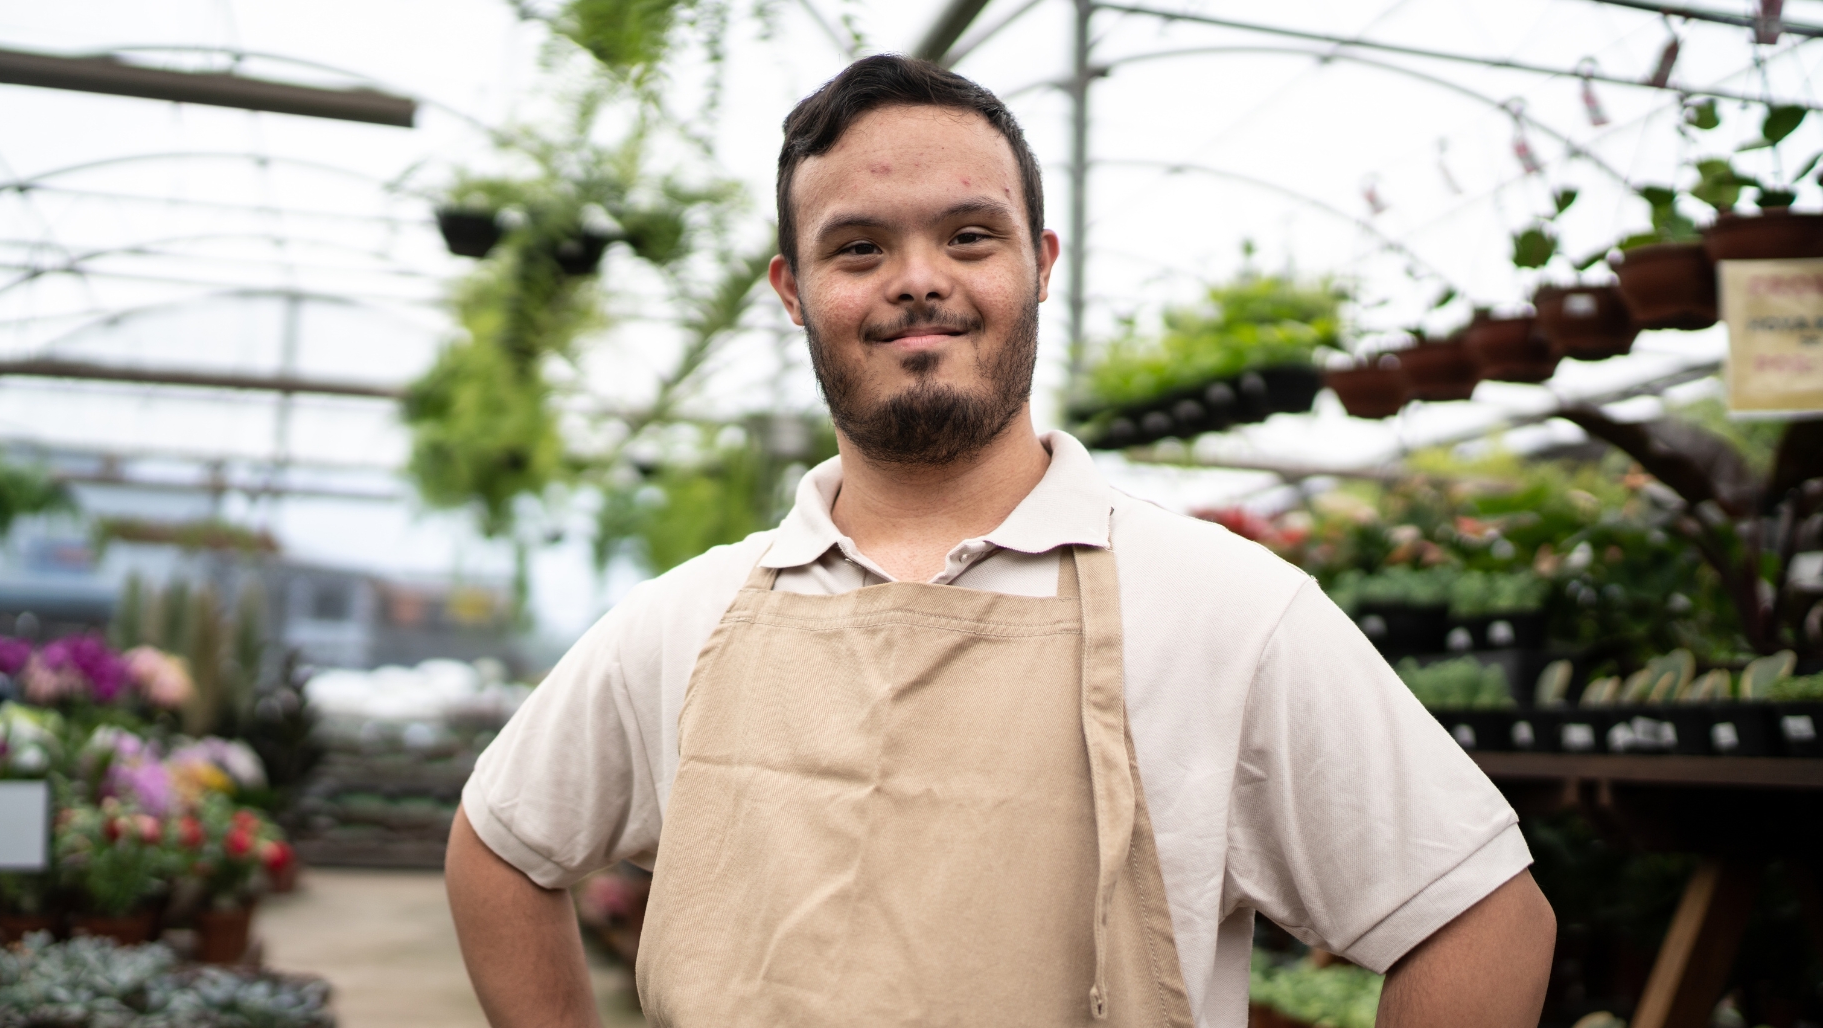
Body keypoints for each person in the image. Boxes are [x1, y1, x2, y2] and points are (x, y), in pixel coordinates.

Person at [447, 53, 1555, 1028]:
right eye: (859, 248)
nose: (919, 278)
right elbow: (499, 846)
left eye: (969, 236)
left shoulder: (1227, 611)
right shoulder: (684, 620)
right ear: (793, 291)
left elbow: (1483, 919)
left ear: (1041, 262)